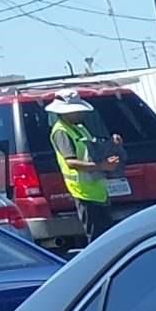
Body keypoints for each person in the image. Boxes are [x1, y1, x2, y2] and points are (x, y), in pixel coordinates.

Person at [46, 96, 122, 241]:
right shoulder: (61, 132)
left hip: (97, 190)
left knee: (107, 236)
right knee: (96, 238)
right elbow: (71, 162)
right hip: (83, 192)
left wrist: (111, 143)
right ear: (66, 112)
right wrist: (101, 166)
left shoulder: (79, 128)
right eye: (77, 111)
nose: (82, 113)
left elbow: (93, 149)